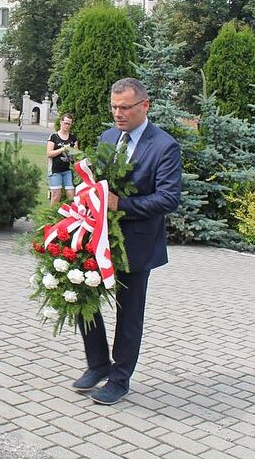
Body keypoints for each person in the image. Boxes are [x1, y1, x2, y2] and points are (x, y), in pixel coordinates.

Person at [72, 77, 182, 405]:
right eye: (114, 107)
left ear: (144, 106)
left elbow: (168, 199)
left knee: (128, 314)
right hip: (98, 237)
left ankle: (120, 379)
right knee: (80, 295)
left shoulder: (164, 146)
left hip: (136, 243)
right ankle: (98, 363)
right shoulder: (108, 137)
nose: (118, 114)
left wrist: (124, 205)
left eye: (125, 108)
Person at [46, 113, 78, 204]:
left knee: (71, 196)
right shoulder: (53, 137)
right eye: (65, 123)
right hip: (55, 170)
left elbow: (76, 155)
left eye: (69, 124)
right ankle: (51, 217)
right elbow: (49, 154)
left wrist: (72, 152)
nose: (67, 126)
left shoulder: (73, 138)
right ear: (61, 122)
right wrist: (62, 149)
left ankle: (70, 216)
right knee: (56, 196)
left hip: (68, 171)